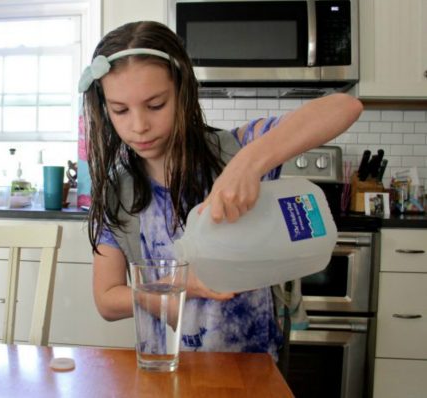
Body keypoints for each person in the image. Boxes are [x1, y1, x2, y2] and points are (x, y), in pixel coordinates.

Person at [80, 21, 363, 358]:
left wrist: (250, 162)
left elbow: (345, 107)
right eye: (120, 110)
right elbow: (106, 298)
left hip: (253, 368)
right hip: (165, 371)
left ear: (182, 92)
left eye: (156, 105)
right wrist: (166, 292)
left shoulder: (236, 148)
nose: (139, 126)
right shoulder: (118, 192)